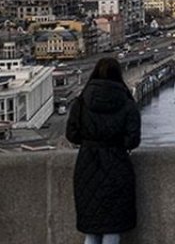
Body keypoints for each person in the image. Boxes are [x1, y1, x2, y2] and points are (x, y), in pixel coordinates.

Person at [66, 57, 142, 244]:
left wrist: (90, 141)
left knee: (91, 230)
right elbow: (132, 140)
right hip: (117, 167)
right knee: (112, 228)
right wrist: (115, 142)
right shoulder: (127, 103)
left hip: (87, 167)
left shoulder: (81, 102)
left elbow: (71, 134)